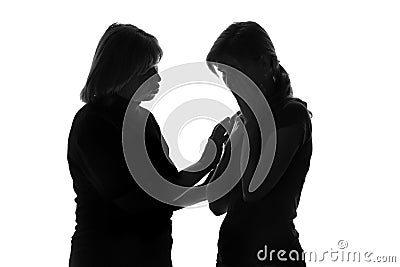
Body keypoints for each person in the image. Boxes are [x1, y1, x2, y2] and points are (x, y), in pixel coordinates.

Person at [67, 23, 228, 267]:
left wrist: (210, 157)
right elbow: (146, 202)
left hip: (152, 255)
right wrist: (213, 184)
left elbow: (169, 187)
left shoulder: (144, 119)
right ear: (120, 73)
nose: (158, 77)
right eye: (147, 70)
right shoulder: (91, 124)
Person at [205, 21, 313, 267]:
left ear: (265, 63)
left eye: (235, 72)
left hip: (272, 254)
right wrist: (218, 147)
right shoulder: (243, 120)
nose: (230, 83)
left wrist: (251, 125)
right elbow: (217, 203)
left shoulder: (291, 114)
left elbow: (253, 191)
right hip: (232, 255)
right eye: (224, 75)